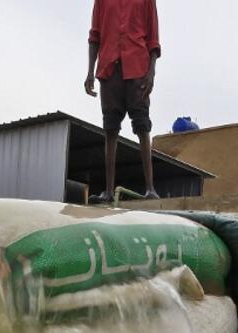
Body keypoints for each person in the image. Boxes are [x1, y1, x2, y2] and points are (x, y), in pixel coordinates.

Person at [84, 0, 161, 203]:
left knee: (142, 124)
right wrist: (90, 72)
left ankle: (150, 189)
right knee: (110, 128)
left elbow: (153, 39)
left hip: (137, 67)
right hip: (110, 68)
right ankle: (108, 191)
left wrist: (151, 72)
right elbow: (95, 35)